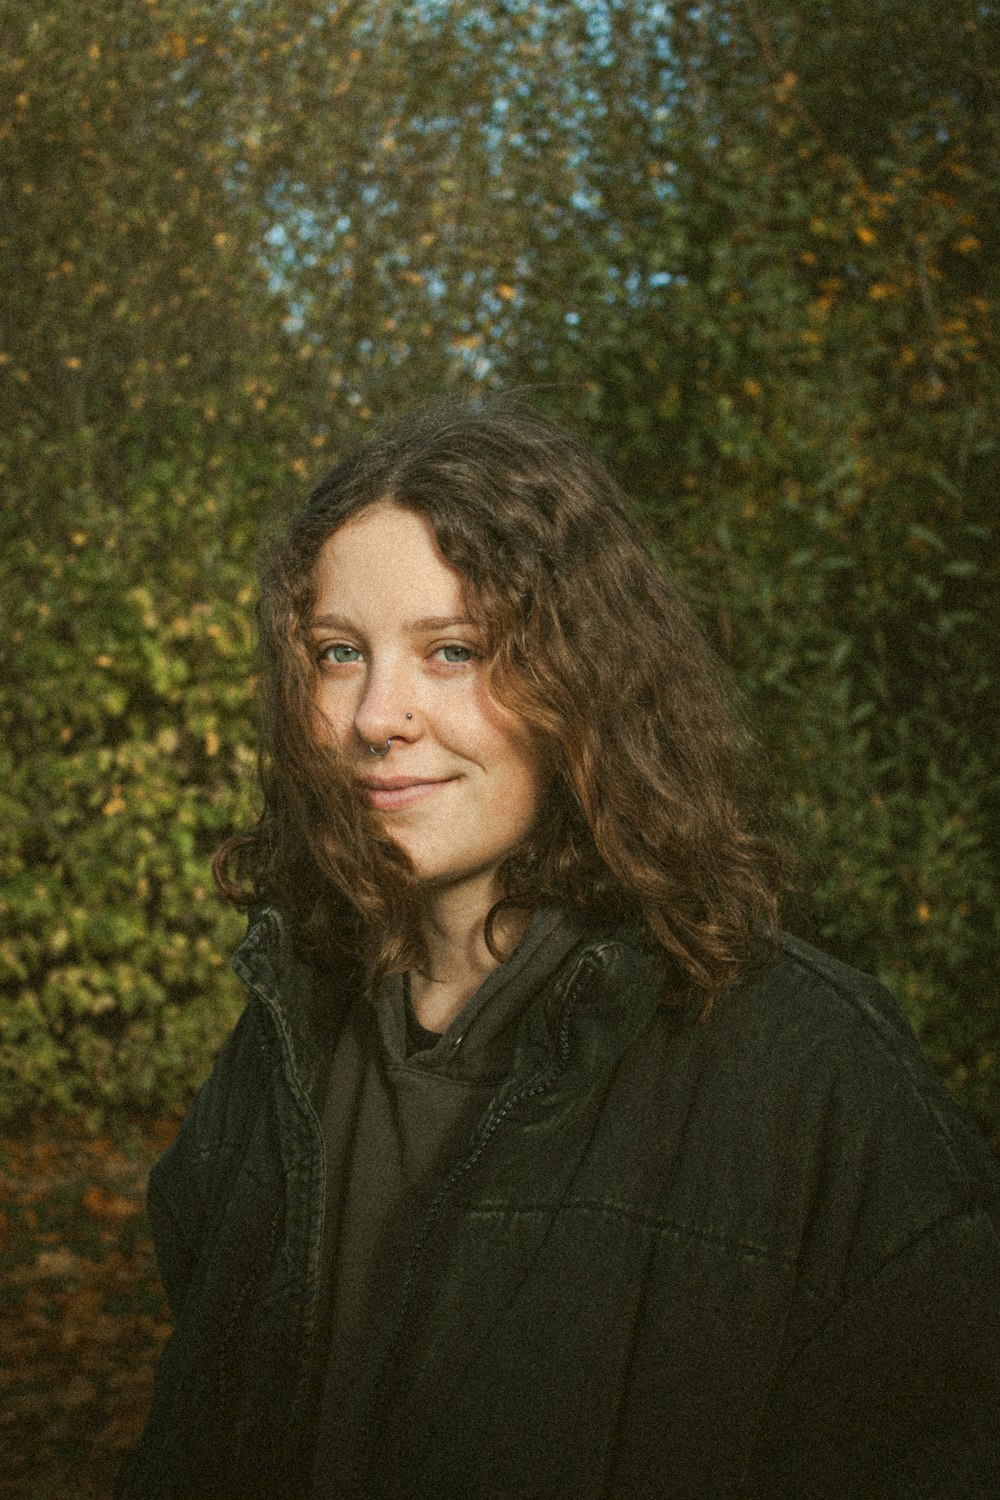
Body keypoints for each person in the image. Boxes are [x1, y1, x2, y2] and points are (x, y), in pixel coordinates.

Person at [116, 402, 1000, 1500]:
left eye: (454, 651)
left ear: (584, 677)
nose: (376, 715)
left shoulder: (814, 1074)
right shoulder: (281, 1046)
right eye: (339, 653)